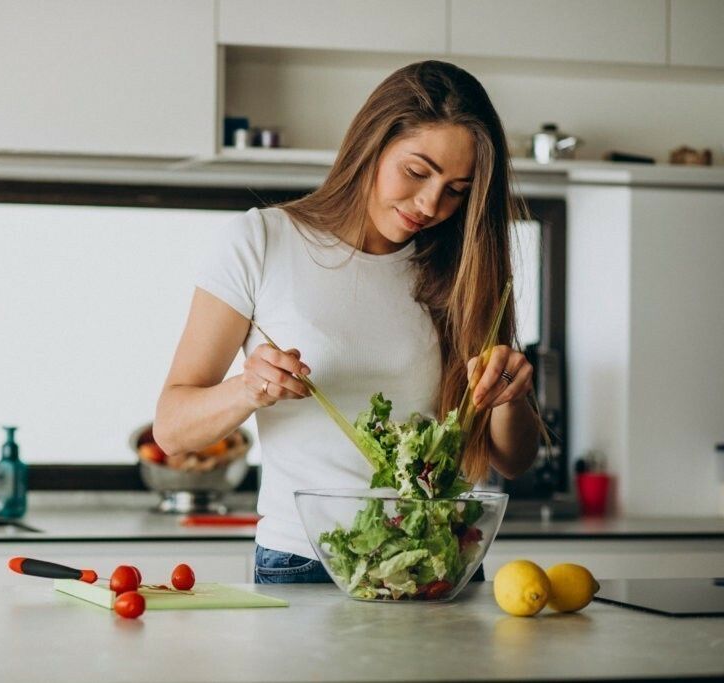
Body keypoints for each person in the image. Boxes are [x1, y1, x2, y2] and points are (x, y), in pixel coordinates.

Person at [153, 60, 541, 584]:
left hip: (443, 563)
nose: (431, 204)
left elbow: (513, 461)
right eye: (417, 172)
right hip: (308, 560)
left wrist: (511, 397)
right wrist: (249, 388)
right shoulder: (262, 241)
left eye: (457, 189)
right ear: (371, 145)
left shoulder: (465, 268)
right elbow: (172, 430)